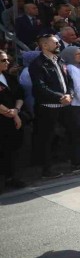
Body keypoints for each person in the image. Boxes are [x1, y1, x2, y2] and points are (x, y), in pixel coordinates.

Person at [29, 34, 80, 178]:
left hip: (66, 105)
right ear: (44, 45)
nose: (59, 45)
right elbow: (40, 87)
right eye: (55, 43)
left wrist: (70, 94)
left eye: (58, 42)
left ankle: (76, 162)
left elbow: (69, 81)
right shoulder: (37, 64)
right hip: (48, 107)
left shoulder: (60, 60)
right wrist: (60, 96)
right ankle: (47, 170)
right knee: (47, 138)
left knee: (75, 131)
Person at [0, 50, 28, 190]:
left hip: (12, 119)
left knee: (12, 149)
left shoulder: (9, 77)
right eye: (3, 60)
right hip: (3, 119)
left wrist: (16, 110)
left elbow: (20, 95)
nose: (7, 62)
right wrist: (11, 113)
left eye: (7, 60)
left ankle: (11, 177)